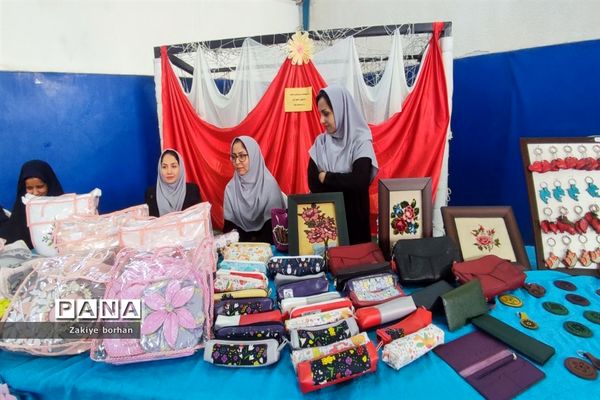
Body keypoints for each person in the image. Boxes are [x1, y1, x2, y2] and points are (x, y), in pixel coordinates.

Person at [308, 85, 379, 245]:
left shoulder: (360, 141)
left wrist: (327, 177)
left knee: (355, 259)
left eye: (326, 113)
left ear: (341, 110)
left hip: (355, 227)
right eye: (320, 114)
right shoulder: (321, 143)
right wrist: (346, 182)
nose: (322, 120)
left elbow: (359, 181)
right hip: (326, 225)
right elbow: (313, 184)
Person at [223, 136, 286, 243]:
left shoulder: (269, 186)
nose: (237, 162)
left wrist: (255, 249)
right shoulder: (230, 188)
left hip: (268, 244)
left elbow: (274, 229)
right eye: (233, 157)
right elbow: (229, 230)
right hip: (240, 246)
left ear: (254, 156)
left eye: (242, 156)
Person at [0, 160, 64, 248]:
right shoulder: (22, 209)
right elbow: (15, 235)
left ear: (49, 184)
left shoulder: (63, 206)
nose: (35, 193)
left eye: (40, 187)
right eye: (29, 188)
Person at [145, 149, 202, 217]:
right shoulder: (150, 194)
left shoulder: (192, 190)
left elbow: (200, 218)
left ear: (180, 167)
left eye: (174, 166)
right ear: (160, 169)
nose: (169, 171)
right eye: (164, 167)